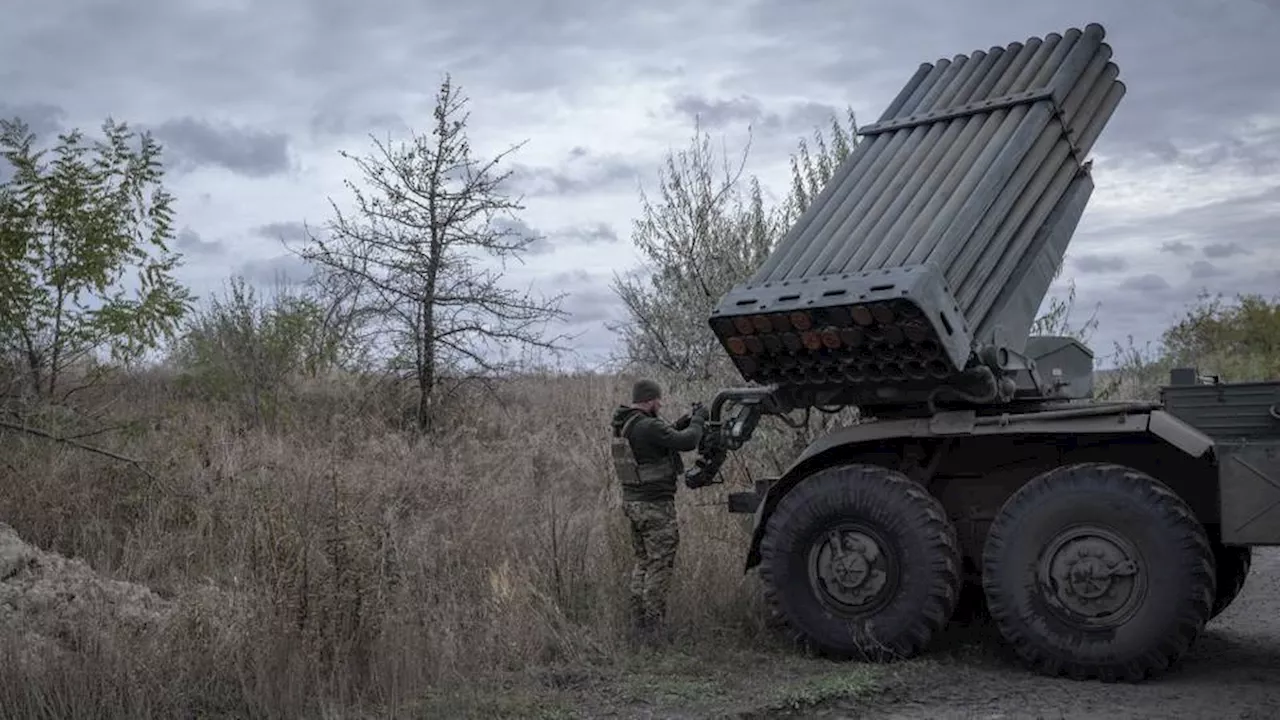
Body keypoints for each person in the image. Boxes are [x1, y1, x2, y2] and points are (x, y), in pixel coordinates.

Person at [610, 378, 708, 641]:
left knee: (643, 562)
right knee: (660, 564)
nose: (661, 404)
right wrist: (698, 420)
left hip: (634, 503)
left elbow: (662, 441)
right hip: (654, 505)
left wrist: (683, 421)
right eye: (658, 400)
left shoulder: (626, 423)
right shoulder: (647, 425)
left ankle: (638, 623)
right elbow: (687, 442)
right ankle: (654, 627)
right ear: (650, 400)